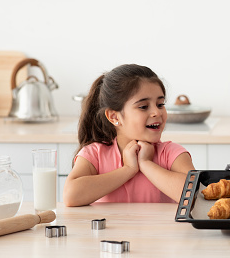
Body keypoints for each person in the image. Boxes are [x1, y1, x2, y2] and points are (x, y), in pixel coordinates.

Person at [63, 64, 194, 206]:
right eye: (143, 106)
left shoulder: (172, 153)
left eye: (160, 104)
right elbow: (71, 196)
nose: (157, 112)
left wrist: (146, 164)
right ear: (114, 117)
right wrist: (128, 169)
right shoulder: (94, 154)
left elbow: (195, 195)